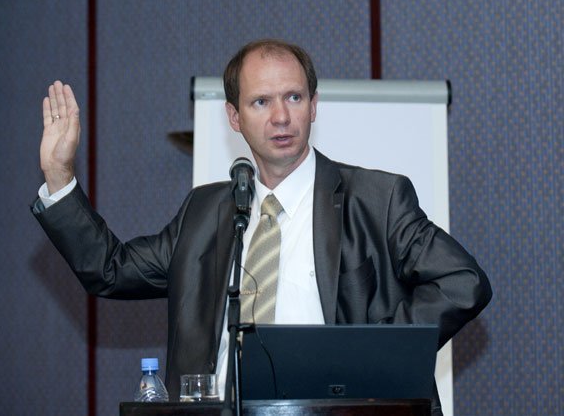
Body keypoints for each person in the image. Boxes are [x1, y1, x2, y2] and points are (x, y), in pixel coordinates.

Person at [33, 39, 492, 415]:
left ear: (314, 105)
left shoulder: (376, 198)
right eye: (260, 101)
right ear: (234, 117)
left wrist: (373, 355)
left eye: (294, 97)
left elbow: (463, 281)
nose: (281, 117)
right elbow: (110, 269)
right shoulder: (205, 211)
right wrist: (58, 174)